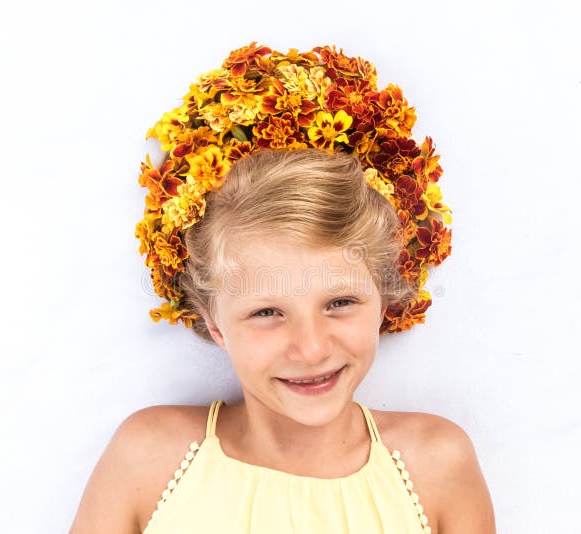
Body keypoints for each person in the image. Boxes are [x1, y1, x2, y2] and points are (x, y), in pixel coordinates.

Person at [70, 44, 495, 534]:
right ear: (215, 325)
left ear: (383, 299)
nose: (312, 348)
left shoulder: (437, 467)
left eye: (340, 303)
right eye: (267, 312)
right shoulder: (147, 458)